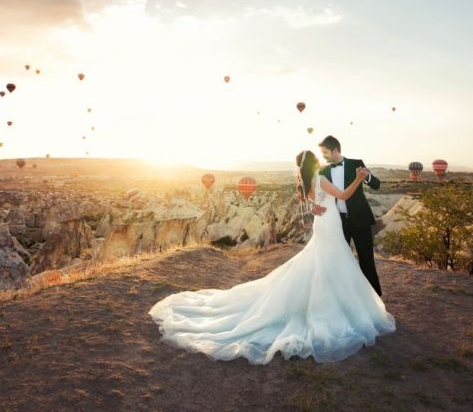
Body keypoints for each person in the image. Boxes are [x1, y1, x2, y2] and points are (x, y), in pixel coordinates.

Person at [147, 150, 396, 365]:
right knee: (332, 263)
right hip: (329, 225)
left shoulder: (307, 182)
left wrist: (315, 207)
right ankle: (334, 307)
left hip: (322, 224)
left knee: (322, 263)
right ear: (315, 164)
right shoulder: (321, 177)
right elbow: (342, 197)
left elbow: (314, 203)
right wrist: (358, 178)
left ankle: (323, 303)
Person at [314, 135, 385, 297]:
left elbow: (376, 185)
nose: (323, 156)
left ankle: (374, 299)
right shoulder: (323, 171)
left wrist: (365, 176)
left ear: (335, 150)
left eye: (325, 152)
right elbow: (322, 195)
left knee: (366, 260)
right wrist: (316, 206)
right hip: (338, 223)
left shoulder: (356, 163)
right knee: (340, 262)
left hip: (360, 220)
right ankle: (345, 299)